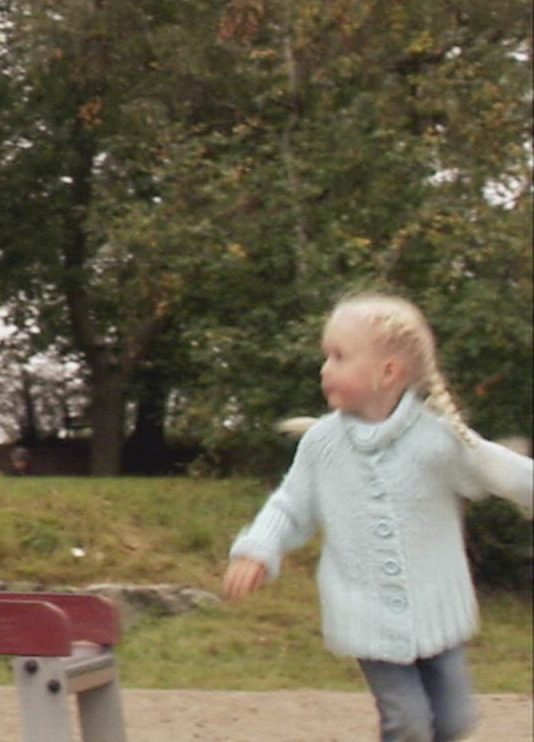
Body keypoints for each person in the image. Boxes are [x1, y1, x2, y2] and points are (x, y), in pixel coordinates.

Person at [222, 292, 533, 742]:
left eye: (339, 356)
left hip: (438, 610)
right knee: (407, 723)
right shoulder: (322, 445)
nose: (324, 368)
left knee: (454, 722)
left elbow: (498, 469)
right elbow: (290, 505)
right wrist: (258, 548)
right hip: (367, 616)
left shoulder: (437, 440)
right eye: (326, 356)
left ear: (388, 372)